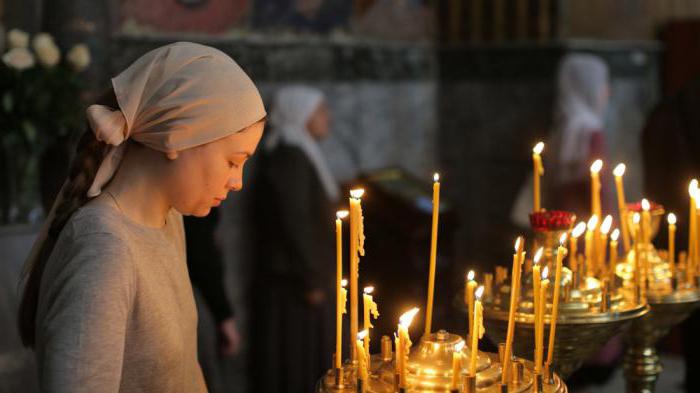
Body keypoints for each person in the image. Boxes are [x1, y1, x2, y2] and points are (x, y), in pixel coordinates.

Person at [16, 42, 266, 392]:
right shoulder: (104, 249)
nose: (237, 182)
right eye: (233, 161)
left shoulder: (168, 220)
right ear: (179, 136)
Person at [248, 86, 339, 393]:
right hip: (294, 280)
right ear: (301, 113)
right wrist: (311, 279)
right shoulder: (289, 156)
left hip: (299, 275)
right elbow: (294, 221)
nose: (328, 118)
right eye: (321, 111)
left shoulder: (298, 151)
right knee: (296, 356)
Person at [546, 53, 611, 217]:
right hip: (588, 226)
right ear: (588, 86)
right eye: (603, 84)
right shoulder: (590, 131)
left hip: (559, 219)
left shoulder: (563, 126)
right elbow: (599, 189)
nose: (607, 92)